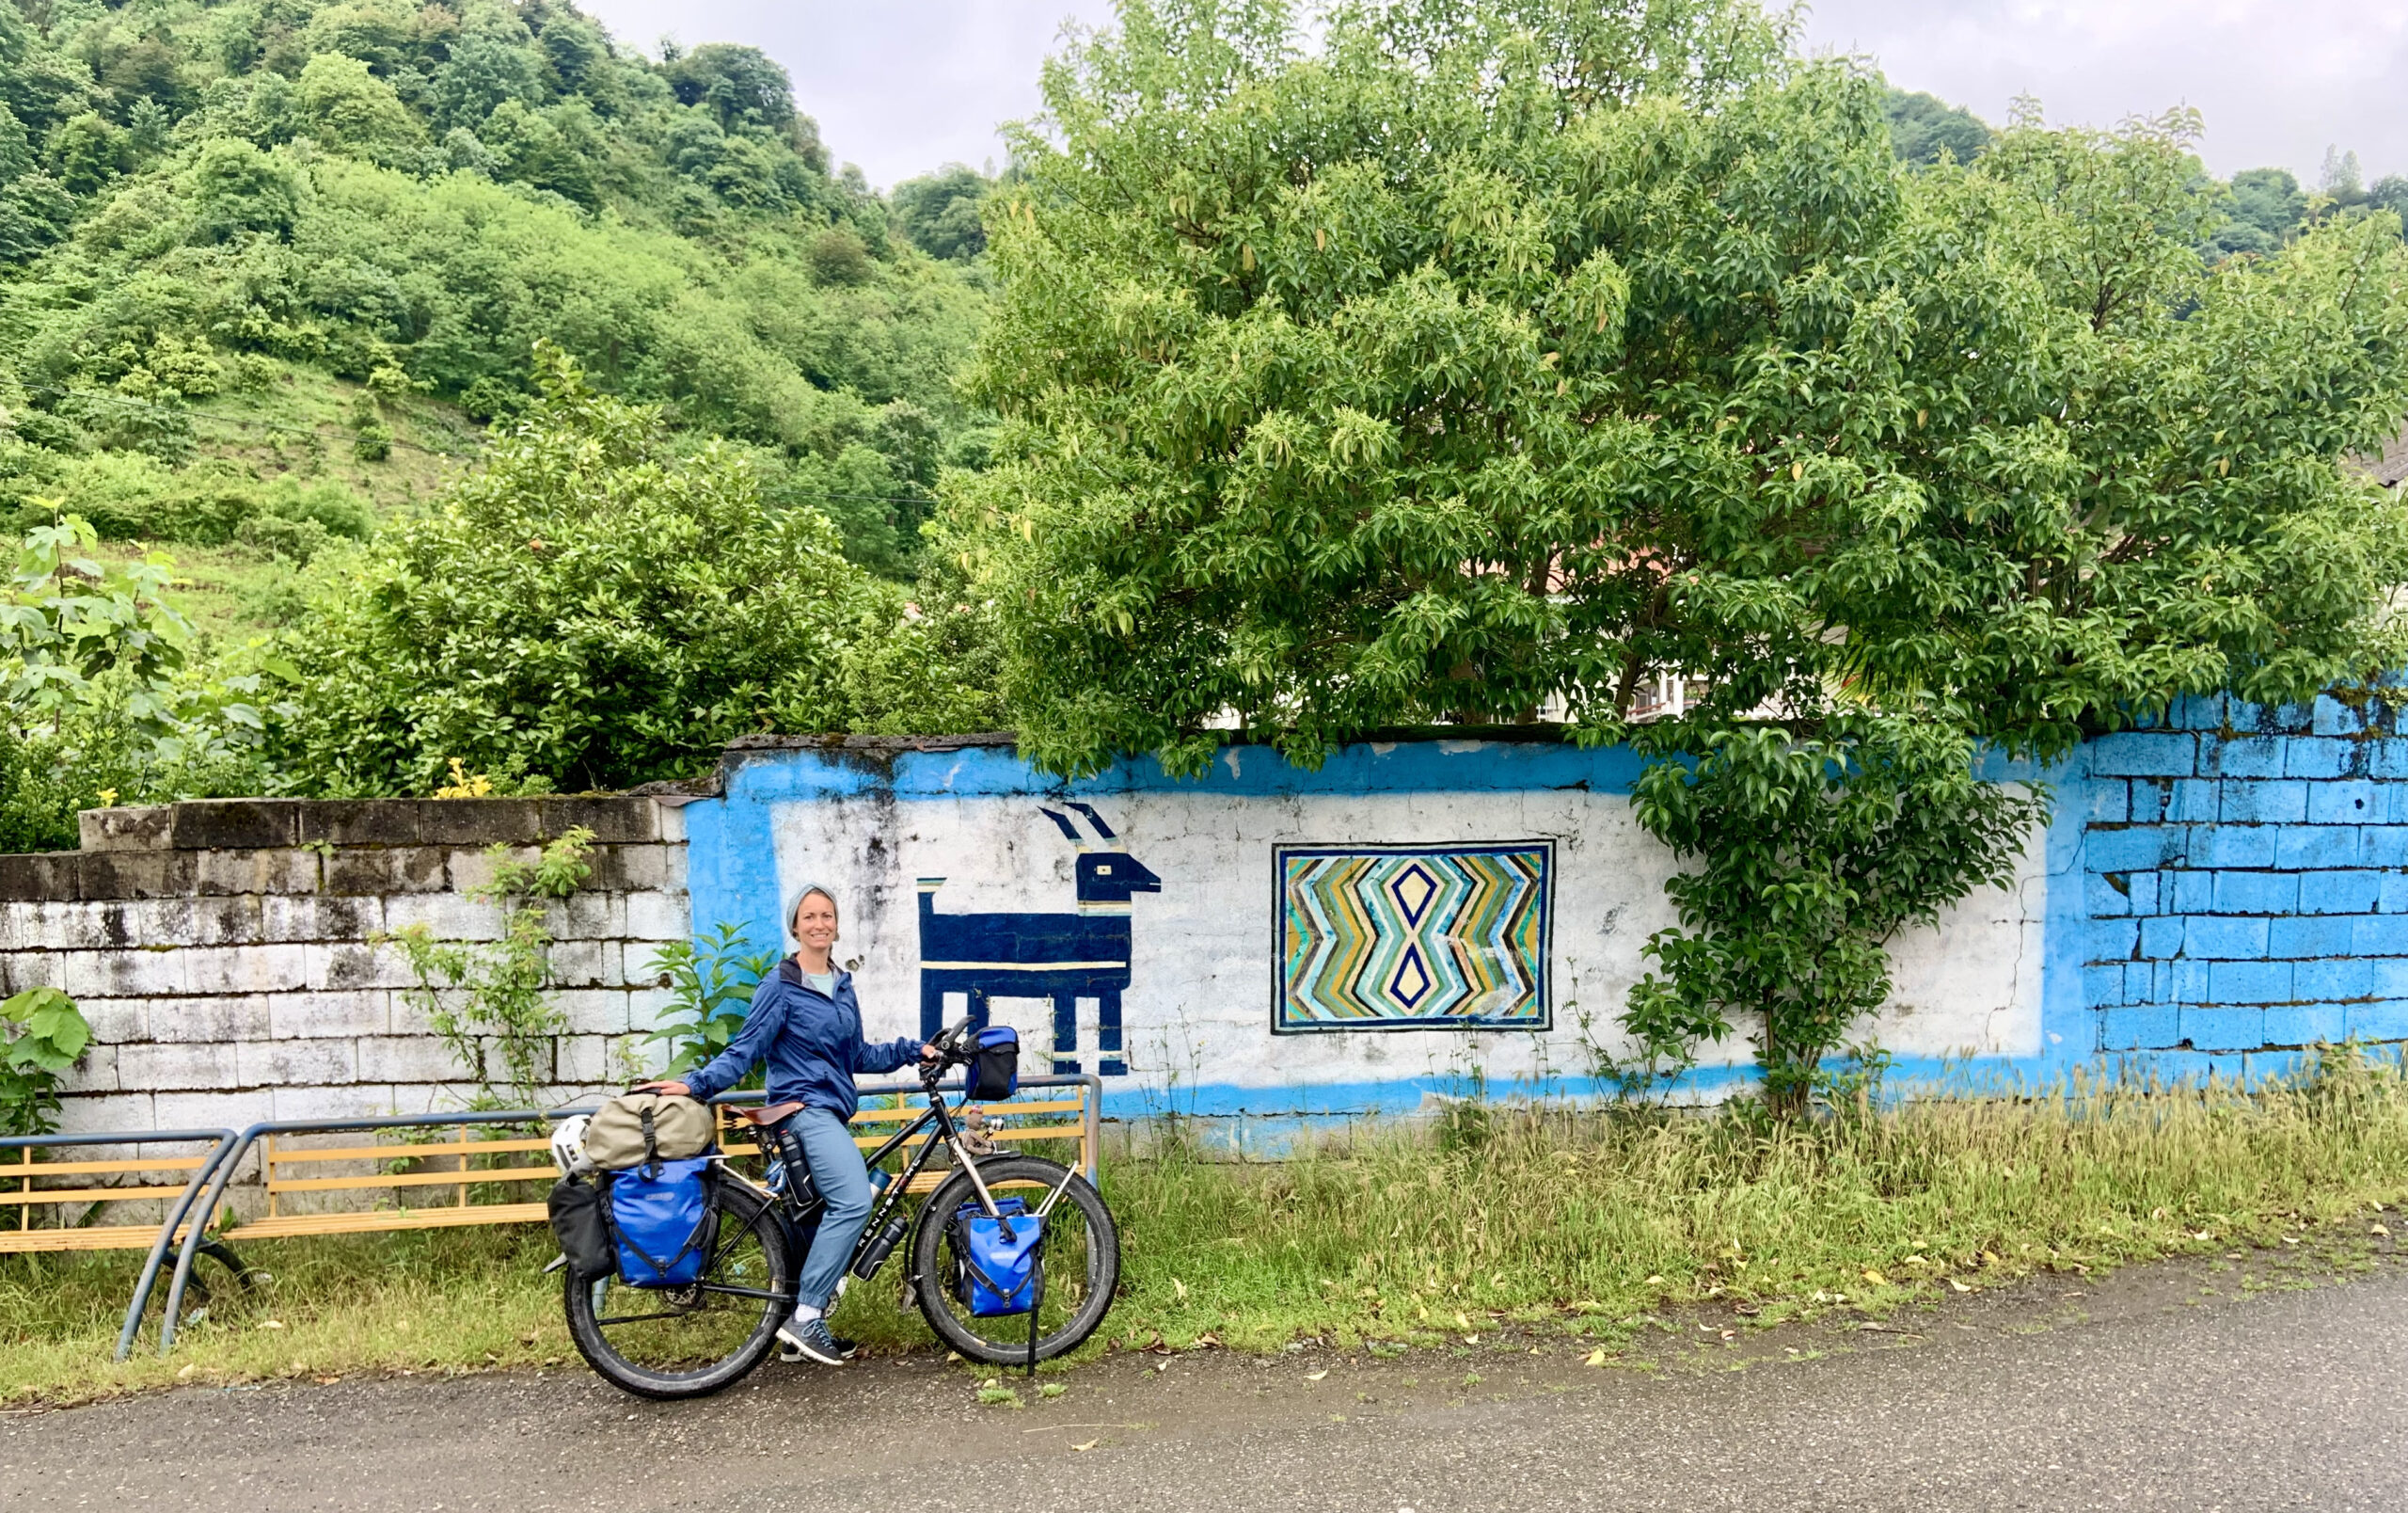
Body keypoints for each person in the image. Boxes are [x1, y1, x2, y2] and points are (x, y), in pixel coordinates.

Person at [636, 884, 934, 1365]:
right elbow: (746, 1049)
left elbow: (856, 1055)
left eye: (827, 915)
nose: (819, 923)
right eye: (810, 916)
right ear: (795, 926)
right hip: (802, 1111)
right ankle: (808, 1314)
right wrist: (694, 1084)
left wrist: (910, 1049)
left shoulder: (840, 984)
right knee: (855, 1200)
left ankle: (792, 1331)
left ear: (836, 924)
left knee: (819, 1217)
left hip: (831, 1110)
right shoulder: (780, 984)